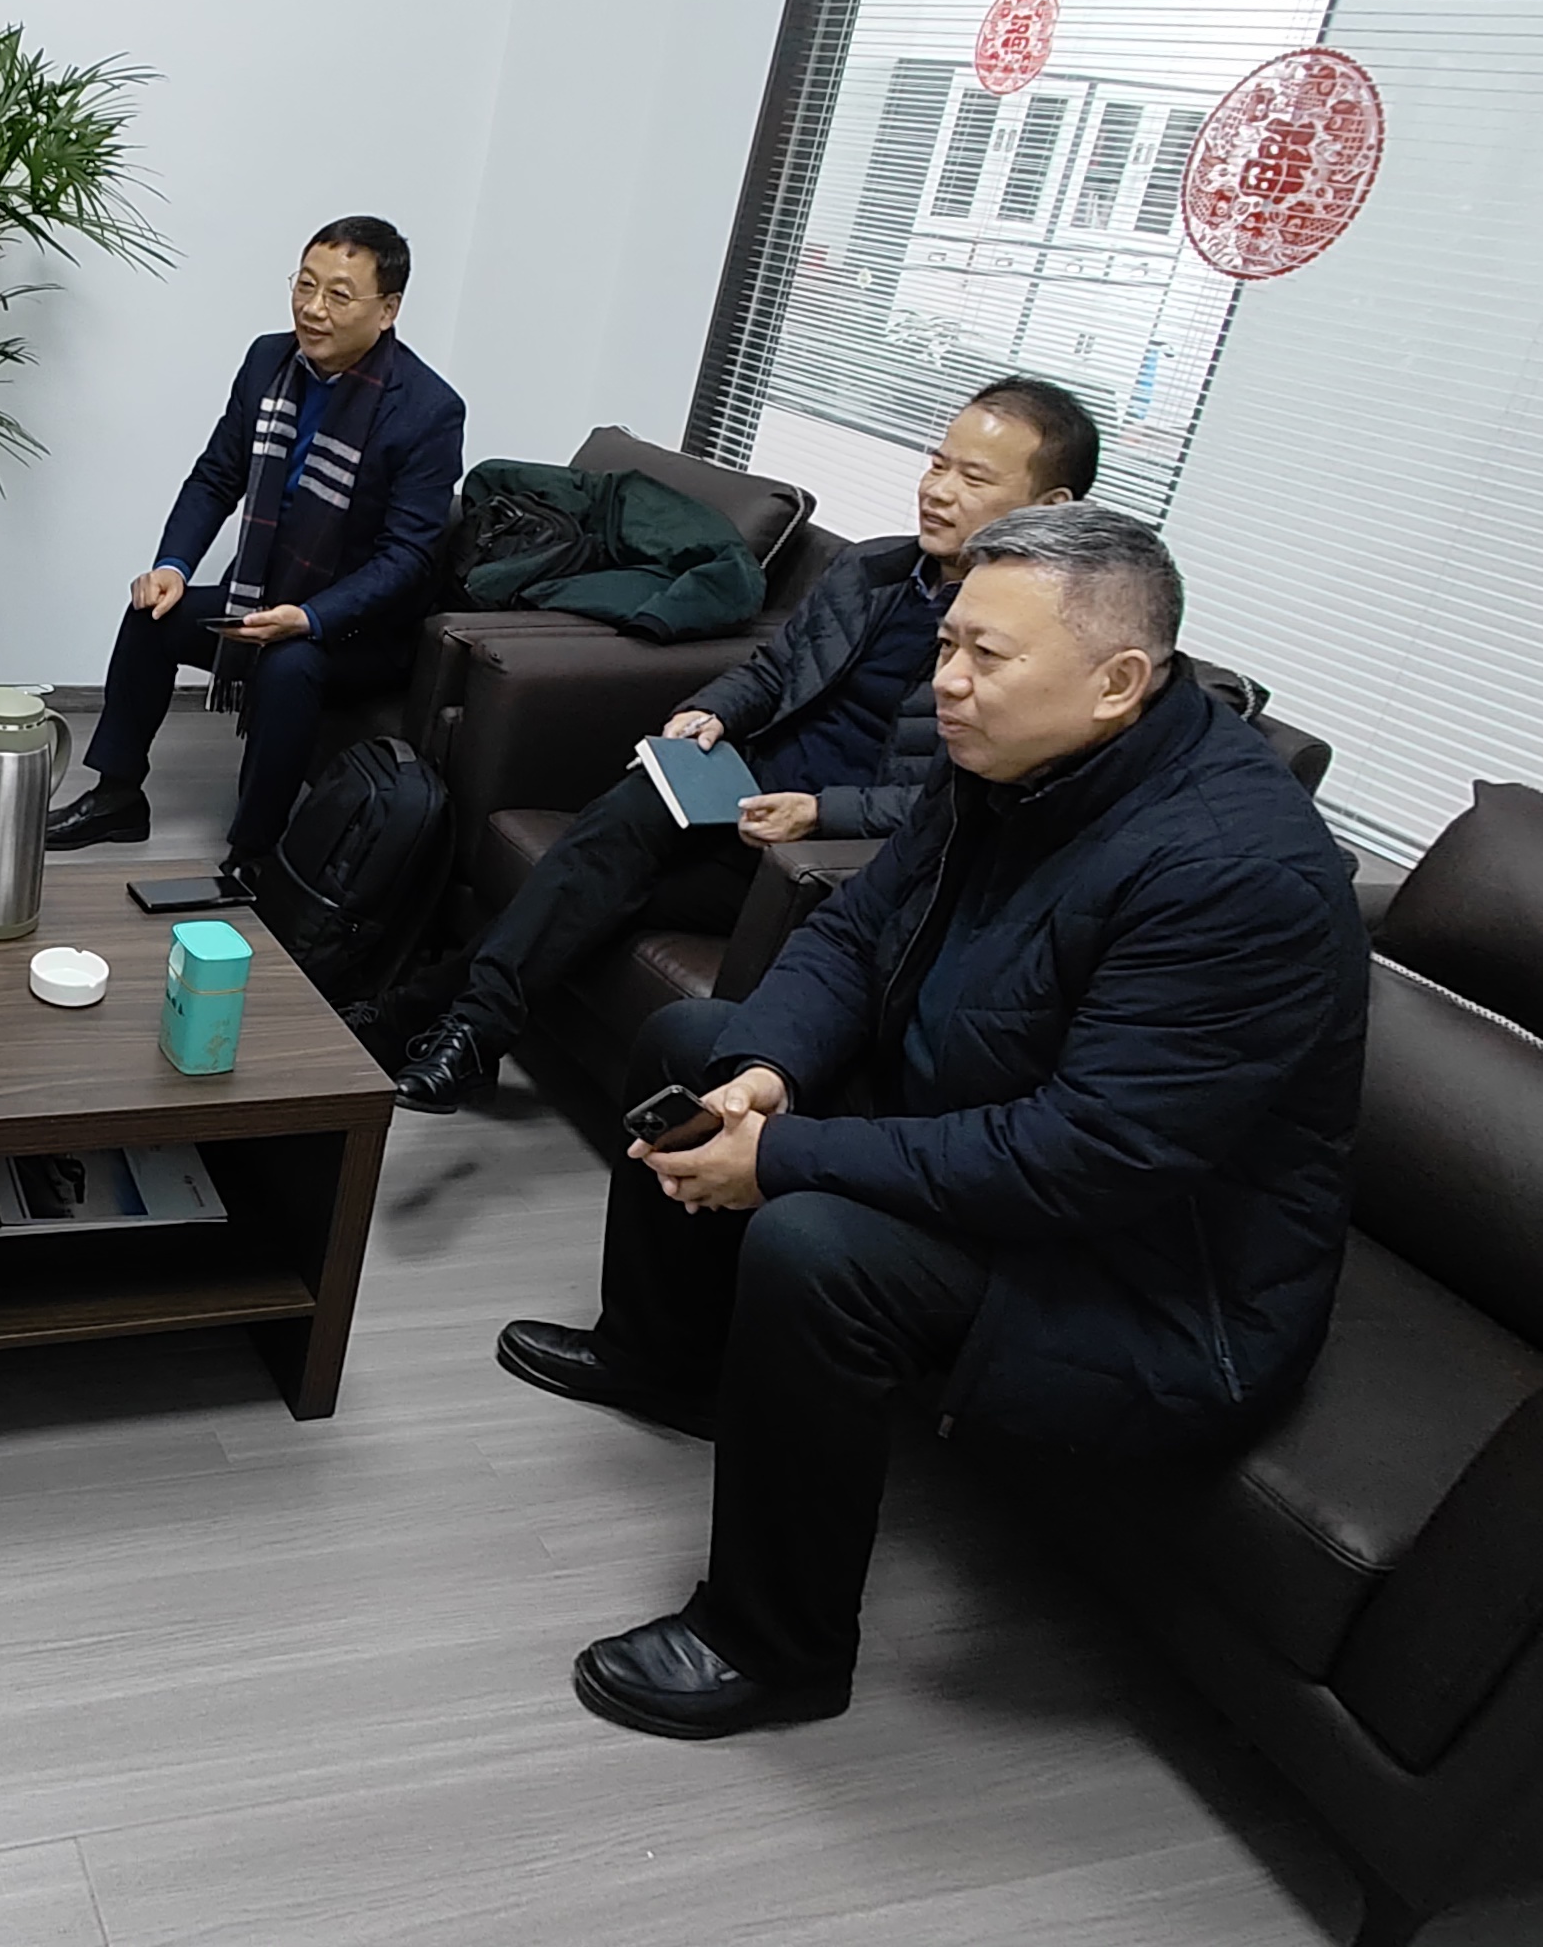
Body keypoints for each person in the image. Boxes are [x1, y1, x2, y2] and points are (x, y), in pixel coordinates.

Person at [493, 504, 1366, 1740]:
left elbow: (1084, 1157)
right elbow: (854, 933)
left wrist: (784, 1157)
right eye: (948, 643)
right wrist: (767, 1075)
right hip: (988, 1124)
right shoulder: (1010, 763)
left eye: (985, 657)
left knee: (817, 1248)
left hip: (1153, 1271)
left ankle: (778, 1644)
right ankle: (666, 1361)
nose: (945, 682)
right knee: (698, 1045)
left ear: (1118, 681)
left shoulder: (1233, 874)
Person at [382, 378, 1095, 1112]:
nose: (937, 491)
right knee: (619, 828)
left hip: (808, 859)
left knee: (584, 887)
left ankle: (427, 1017)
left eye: (973, 478)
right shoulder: (872, 569)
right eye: (937, 463)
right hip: (735, 798)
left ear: (1050, 508)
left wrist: (819, 813)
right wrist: (711, 711)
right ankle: (463, 1032)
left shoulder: (1034, 652)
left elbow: (956, 802)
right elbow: (773, 668)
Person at [42, 217, 467, 877]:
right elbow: (217, 476)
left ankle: (253, 852)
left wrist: (311, 617)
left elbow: (407, 558)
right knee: (152, 614)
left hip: (361, 630)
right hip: (267, 595)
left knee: (288, 664)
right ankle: (118, 796)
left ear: (387, 310)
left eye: (338, 295)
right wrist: (173, 565)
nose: (313, 309)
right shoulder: (269, 362)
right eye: (305, 285)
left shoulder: (428, 410)